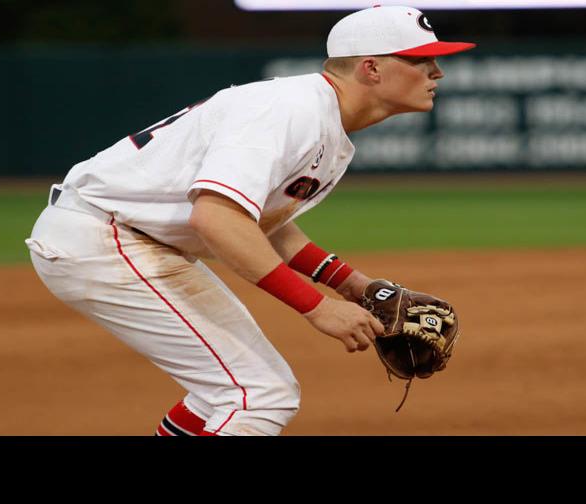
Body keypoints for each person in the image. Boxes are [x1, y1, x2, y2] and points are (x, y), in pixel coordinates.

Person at [24, 6, 475, 436]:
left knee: (225, 392)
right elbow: (217, 219)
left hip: (132, 241)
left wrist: (352, 285)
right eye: (422, 60)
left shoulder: (321, 121)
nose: (437, 72)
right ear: (371, 69)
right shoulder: (289, 110)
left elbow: (260, 220)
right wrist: (317, 307)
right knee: (259, 395)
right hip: (108, 238)